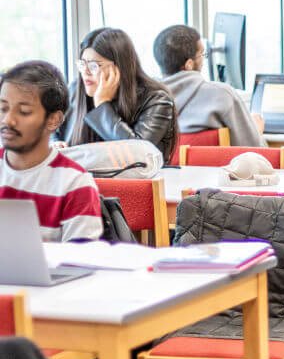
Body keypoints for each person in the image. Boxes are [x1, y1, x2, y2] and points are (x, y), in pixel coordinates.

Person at [0, 61, 102, 241]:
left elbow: (80, 263)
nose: (8, 120)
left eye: (23, 112)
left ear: (53, 120)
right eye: (3, 108)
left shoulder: (76, 183)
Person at [55, 28, 178, 162]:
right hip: (85, 180)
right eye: (82, 64)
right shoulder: (75, 90)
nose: (86, 72)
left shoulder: (157, 99)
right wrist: (54, 144)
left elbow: (137, 154)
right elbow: (52, 130)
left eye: (94, 66)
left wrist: (102, 105)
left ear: (119, 67)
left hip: (137, 181)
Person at [154, 24, 266, 147]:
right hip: (212, 167)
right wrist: (257, 131)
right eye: (202, 55)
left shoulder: (147, 98)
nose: (203, 60)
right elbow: (254, 149)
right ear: (189, 65)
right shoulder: (221, 95)